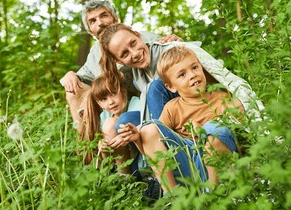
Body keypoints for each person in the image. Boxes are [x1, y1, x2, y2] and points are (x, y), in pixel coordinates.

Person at [118, 45, 246, 193]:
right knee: (149, 129)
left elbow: (241, 139)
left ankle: (213, 194)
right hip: (187, 166)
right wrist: (138, 140)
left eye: (195, 67)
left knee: (215, 128)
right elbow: (157, 150)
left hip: (218, 167)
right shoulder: (172, 108)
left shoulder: (224, 99)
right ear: (171, 87)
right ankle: (171, 196)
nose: (192, 75)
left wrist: (205, 133)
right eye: (182, 75)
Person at [98, 23, 264, 130]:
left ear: (138, 36)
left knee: (155, 87)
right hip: (170, 114)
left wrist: (236, 99)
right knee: (124, 122)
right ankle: (143, 174)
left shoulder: (168, 51)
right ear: (118, 60)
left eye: (133, 43)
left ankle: (167, 151)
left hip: (196, 106)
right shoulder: (134, 74)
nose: (134, 53)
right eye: (125, 54)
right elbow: (105, 89)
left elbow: (215, 74)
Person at [60, 0, 182, 129]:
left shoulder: (140, 38)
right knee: (73, 91)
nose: (100, 23)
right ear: (90, 31)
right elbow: (82, 76)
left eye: (103, 15)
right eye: (93, 21)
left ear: (115, 17)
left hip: (147, 99)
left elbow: (169, 50)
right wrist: (70, 74)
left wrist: (176, 42)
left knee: (150, 93)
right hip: (115, 107)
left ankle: (158, 132)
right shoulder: (94, 54)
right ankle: (85, 142)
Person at [78, 74, 141, 175]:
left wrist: (125, 136)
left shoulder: (136, 104)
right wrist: (103, 145)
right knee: (105, 136)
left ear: (124, 91)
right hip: (119, 162)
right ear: (99, 104)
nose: (111, 102)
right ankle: (112, 176)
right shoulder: (105, 116)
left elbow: (146, 126)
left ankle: (125, 177)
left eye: (113, 94)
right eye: (104, 99)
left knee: (111, 124)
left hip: (139, 160)